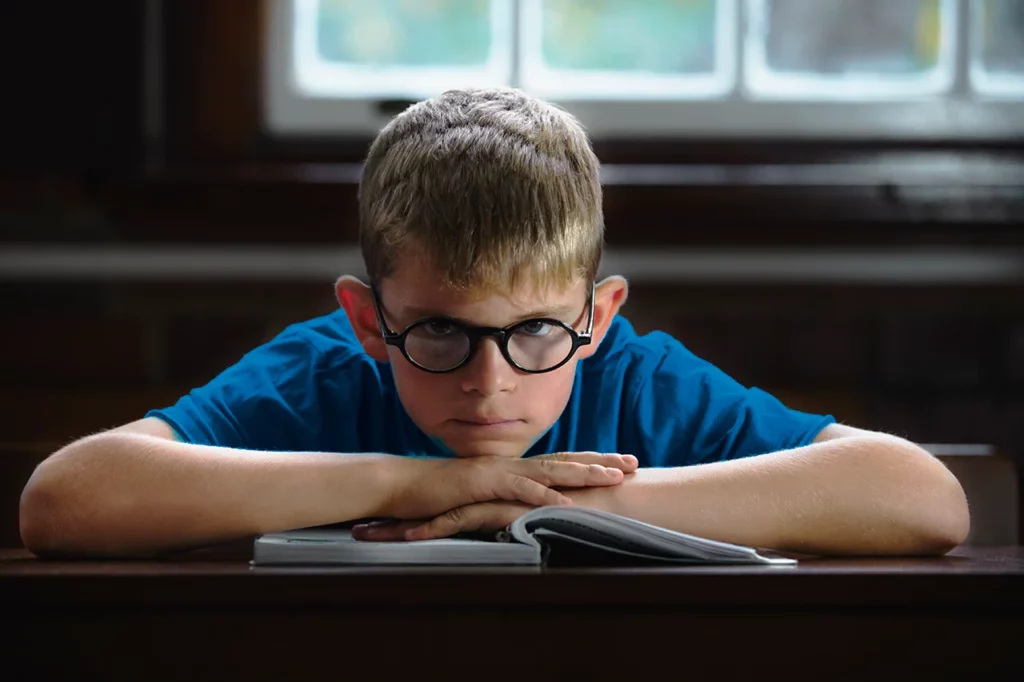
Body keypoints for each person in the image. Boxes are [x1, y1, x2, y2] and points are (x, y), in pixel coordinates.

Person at [20, 88, 969, 558]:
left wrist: (554, 505)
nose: (489, 384)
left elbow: (924, 499)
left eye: (537, 335)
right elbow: (65, 500)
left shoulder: (637, 381)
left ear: (597, 318)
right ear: (366, 317)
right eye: (438, 334)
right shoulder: (319, 376)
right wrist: (418, 483)